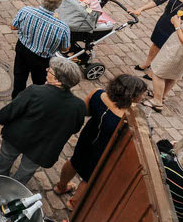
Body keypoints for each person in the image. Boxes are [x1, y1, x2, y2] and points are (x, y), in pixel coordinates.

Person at [53, 74, 147, 202]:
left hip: (88, 136)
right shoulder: (126, 117)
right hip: (104, 148)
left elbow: (85, 111)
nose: (143, 97)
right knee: (90, 177)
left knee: (74, 161)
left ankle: (61, 186)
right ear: (131, 95)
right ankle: (73, 204)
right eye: (141, 94)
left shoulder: (97, 94)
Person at [0, 57, 86, 184]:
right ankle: (14, 189)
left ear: (59, 81)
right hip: (42, 149)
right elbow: (75, 128)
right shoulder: (79, 106)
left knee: (5, 159)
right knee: (25, 171)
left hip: (17, 137)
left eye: (51, 71)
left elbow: (13, 109)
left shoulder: (35, 91)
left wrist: (0, 118)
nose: (47, 70)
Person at [9, 0, 71, 98]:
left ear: (41, 0)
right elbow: (65, 49)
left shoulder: (26, 11)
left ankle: (16, 100)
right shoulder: (62, 27)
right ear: (58, 5)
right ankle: (34, 103)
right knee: (39, 84)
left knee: (19, 78)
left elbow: (13, 27)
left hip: (22, 50)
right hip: (42, 60)